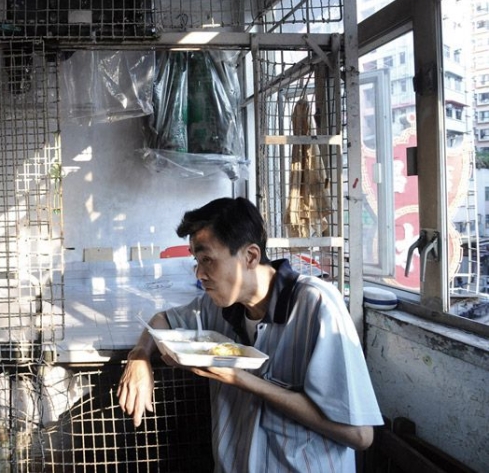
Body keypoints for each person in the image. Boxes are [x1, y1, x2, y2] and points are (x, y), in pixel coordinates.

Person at [117, 197, 382, 472]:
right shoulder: (218, 305)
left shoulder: (316, 304)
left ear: (251, 256)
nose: (199, 274)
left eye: (207, 259)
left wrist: (241, 379)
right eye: (196, 261)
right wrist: (139, 356)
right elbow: (163, 320)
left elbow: (360, 435)